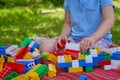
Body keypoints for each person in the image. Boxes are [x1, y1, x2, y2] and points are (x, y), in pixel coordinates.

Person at [39, 0, 114, 54]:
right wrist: (63, 35)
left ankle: (103, 52)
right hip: (75, 39)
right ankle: (74, 52)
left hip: (97, 40)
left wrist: (93, 38)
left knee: (91, 52)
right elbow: (67, 22)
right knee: (45, 48)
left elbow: (109, 19)